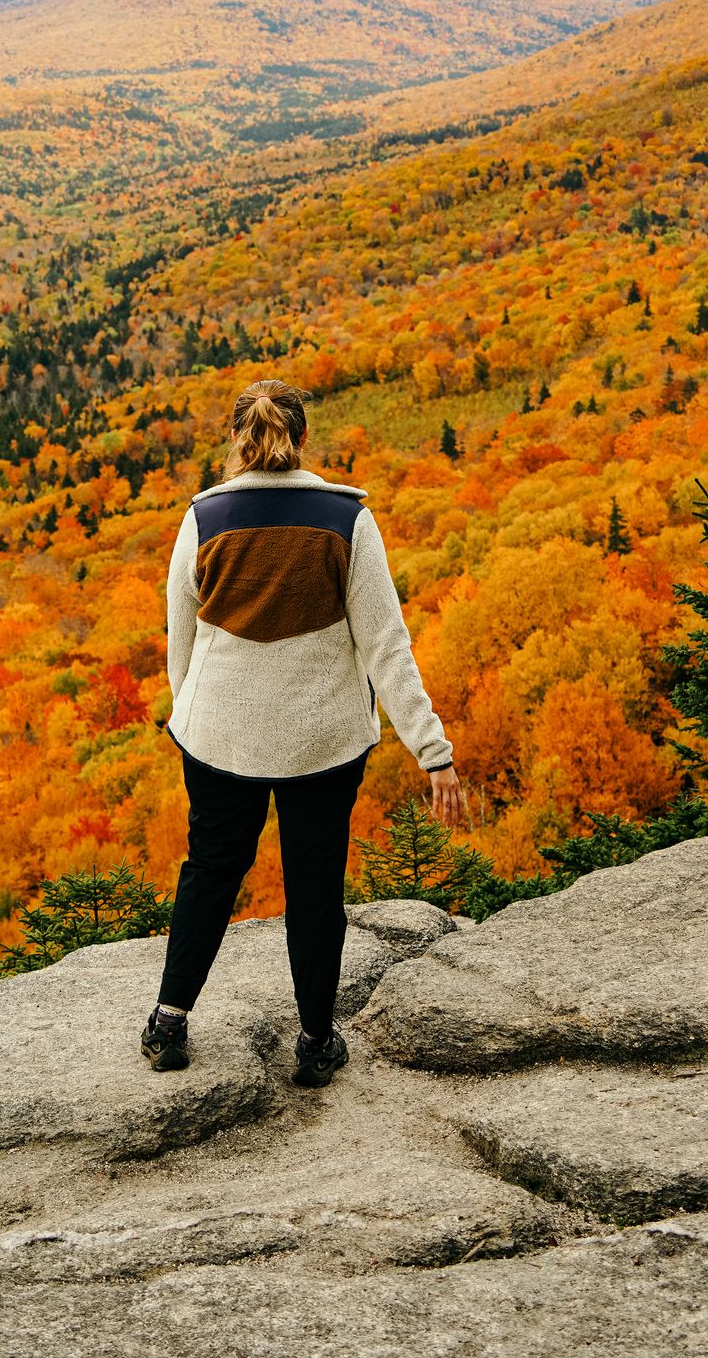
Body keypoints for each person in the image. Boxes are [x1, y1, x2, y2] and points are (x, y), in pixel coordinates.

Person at [142, 376, 468, 1087]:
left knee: (209, 872)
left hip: (219, 736)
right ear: (302, 440)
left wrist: (190, 719)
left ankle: (168, 1021)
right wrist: (433, 754)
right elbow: (388, 647)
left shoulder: (203, 518)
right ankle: (317, 1043)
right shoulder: (347, 519)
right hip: (322, 743)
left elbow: (181, 641)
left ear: (237, 441)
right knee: (314, 888)